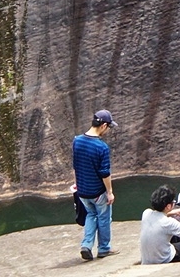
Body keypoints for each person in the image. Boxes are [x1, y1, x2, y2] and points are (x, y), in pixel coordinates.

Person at [73, 109, 116, 261]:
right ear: (103, 125)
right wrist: (109, 192)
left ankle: (86, 245)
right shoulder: (101, 147)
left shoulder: (77, 141)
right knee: (104, 218)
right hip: (98, 192)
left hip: (83, 191)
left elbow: (76, 166)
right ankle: (104, 248)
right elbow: (104, 172)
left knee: (91, 215)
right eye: (109, 127)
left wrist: (77, 184)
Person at [140, 185, 180, 264]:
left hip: (147, 259)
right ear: (168, 206)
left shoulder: (146, 213)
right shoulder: (169, 222)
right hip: (165, 258)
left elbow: (159, 215)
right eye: (173, 202)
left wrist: (174, 212)